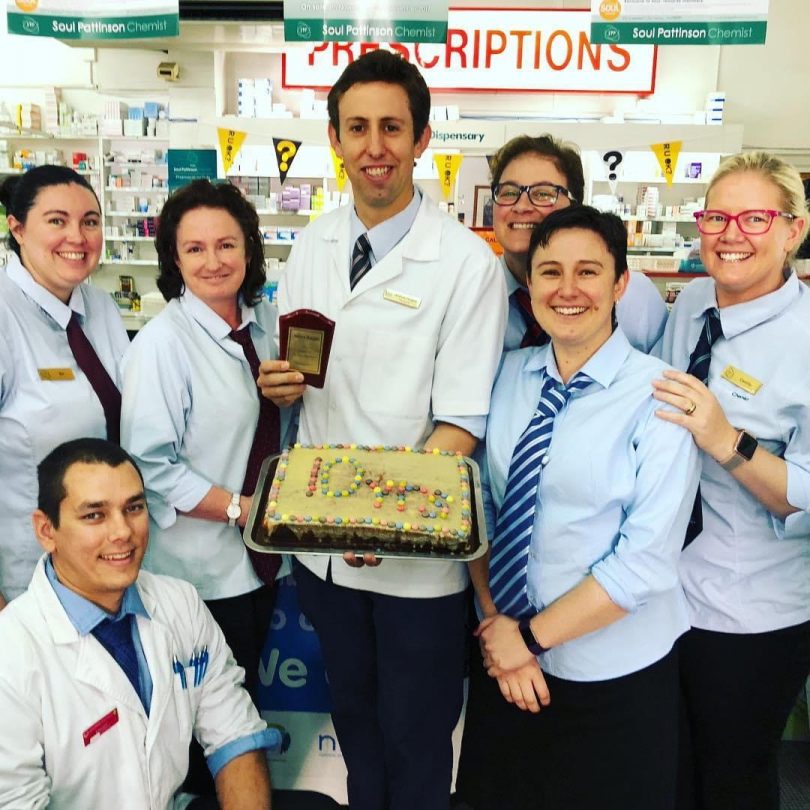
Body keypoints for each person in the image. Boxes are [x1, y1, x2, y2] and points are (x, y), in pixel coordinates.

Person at [257, 49, 507, 810]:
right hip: (327, 553)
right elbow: (305, 382)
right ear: (334, 137)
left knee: (418, 737)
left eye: (392, 128)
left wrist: (383, 513)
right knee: (357, 724)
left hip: (414, 561)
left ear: (421, 138)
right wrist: (280, 386)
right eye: (357, 127)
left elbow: (461, 421)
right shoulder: (314, 243)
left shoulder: (467, 264)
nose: (375, 147)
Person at [466, 205, 699, 810]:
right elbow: (482, 511)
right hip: (507, 662)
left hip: (612, 676)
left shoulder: (661, 398)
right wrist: (499, 629)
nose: (568, 290)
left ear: (621, 283)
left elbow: (642, 564)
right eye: (550, 272)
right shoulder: (506, 377)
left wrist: (530, 640)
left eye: (588, 272)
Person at [121, 180, 295, 796]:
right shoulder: (164, 344)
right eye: (194, 249)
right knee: (198, 729)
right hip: (197, 575)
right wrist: (242, 510)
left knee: (238, 712)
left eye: (226, 243)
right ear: (174, 259)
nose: (213, 260)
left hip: (258, 567)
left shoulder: (266, 325)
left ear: (250, 248)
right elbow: (150, 464)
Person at [0, 437, 279, 809]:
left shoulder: (181, 603)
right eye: (94, 515)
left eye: (133, 508)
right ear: (46, 530)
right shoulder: (12, 652)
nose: (123, 532)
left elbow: (236, 739)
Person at [653, 151, 810, 810]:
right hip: (667, 595)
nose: (731, 234)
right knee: (672, 772)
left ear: (793, 231)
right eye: (717, 216)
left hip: (753, 614)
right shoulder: (691, 302)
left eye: (754, 217)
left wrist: (728, 441)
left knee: (733, 779)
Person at [0, 166, 128, 608]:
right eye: (57, 220)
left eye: (90, 221)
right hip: (27, 580)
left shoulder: (101, 307)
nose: (77, 236)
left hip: (108, 562)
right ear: (17, 229)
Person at [487, 134, 668, 354]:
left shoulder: (636, 297)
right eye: (509, 192)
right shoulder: (474, 293)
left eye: (543, 194)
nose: (522, 206)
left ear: (575, 205)